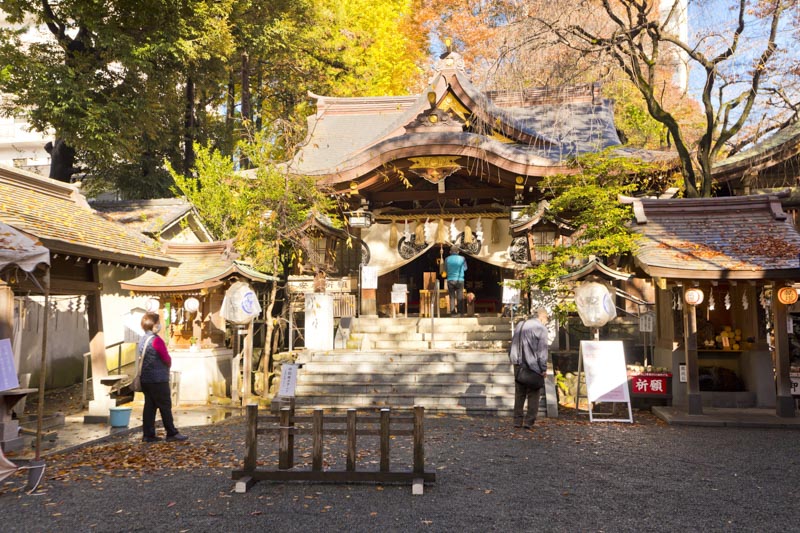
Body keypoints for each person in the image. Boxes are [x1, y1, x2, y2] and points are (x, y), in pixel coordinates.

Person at [137, 312, 188, 443]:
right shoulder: (157, 340)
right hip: (158, 379)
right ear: (154, 325)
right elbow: (166, 358)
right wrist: (168, 364)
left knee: (149, 406)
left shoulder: (142, 339)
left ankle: (148, 435)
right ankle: (171, 432)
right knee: (165, 405)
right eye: (158, 323)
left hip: (145, 379)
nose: (159, 325)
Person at [508, 308, 549, 429]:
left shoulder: (520, 325)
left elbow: (513, 344)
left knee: (519, 394)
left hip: (518, 364)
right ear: (542, 317)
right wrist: (543, 368)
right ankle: (529, 421)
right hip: (533, 366)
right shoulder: (541, 329)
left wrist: (514, 360)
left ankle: (517, 421)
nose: (546, 321)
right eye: (547, 319)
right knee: (533, 394)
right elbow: (542, 351)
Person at [444, 245, 467, 315]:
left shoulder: (447, 259)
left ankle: (453, 313)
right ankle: (460, 312)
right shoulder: (462, 258)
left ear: (450, 252)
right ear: (458, 251)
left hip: (450, 279)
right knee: (460, 296)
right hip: (460, 279)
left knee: (452, 297)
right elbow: (465, 268)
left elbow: (445, 269)